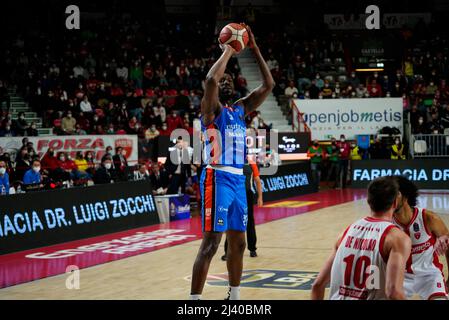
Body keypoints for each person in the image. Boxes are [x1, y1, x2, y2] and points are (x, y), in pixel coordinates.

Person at [190, 24, 274, 300]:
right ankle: (194, 301)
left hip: (238, 179)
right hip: (217, 177)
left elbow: (269, 85)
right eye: (223, 79)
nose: (224, 81)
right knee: (211, 244)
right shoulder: (211, 110)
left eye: (229, 80)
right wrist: (230, 47)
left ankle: (234, 296)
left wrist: (255, 48)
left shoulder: (239, 109)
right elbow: (212, 80)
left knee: (238, 243)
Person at [311, 177, 411, 300]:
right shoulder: (397, 238)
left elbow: (317, 285)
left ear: (368, 201)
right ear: (395, 203)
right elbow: (393, 292)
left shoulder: (345, 233)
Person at [392, 176, 449, 300]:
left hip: (430, 275)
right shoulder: (387, 222)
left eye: (394, 194)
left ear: (405, 196)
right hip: (401, 277)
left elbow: (448, 245)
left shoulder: (429, 218)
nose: (389, 198)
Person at [222, 159, 263, 260]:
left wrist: (260, 197)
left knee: (249, 221)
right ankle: (228, 251)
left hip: (247, 194)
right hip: (234, 194)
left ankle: (252, 249)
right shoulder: (231, 161)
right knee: (231, 221)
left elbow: (257, 180)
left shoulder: (251, 162)